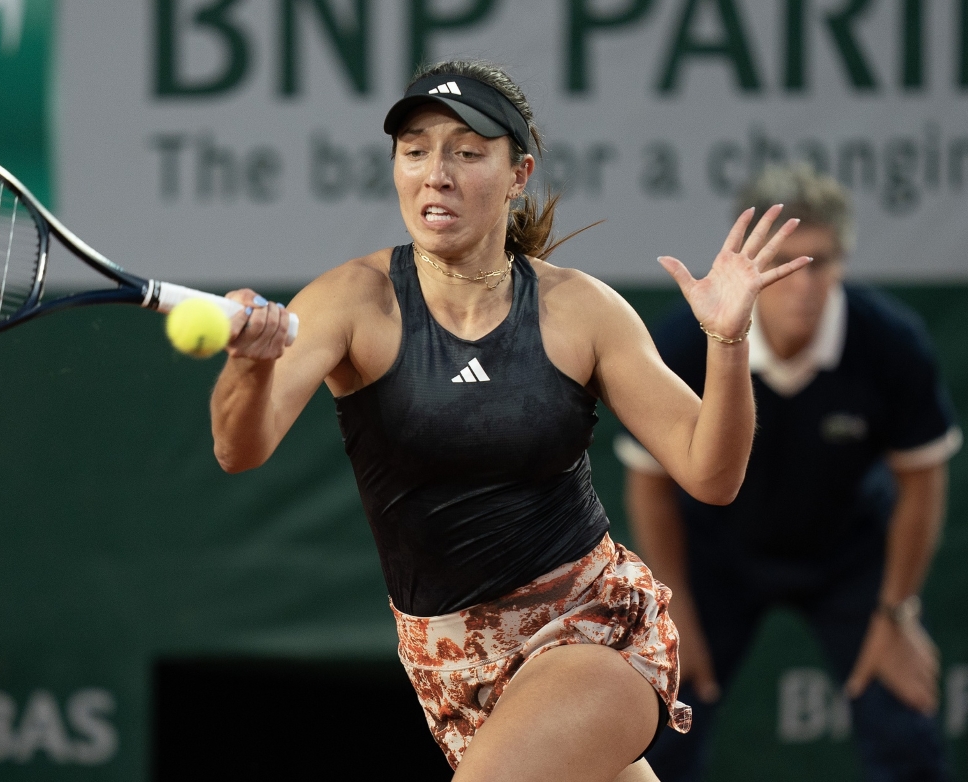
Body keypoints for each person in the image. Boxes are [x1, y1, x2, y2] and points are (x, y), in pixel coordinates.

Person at [209, 60, 811, 782]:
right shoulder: (353, 300)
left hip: (589, 635)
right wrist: (249, 364)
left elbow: (712, 475)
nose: (437, 172)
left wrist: (728, 339)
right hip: (451, 671)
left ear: (518, 172)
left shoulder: (580, 310)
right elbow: (239, 449)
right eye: (416, 150)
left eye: (466, 151)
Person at [617, 164, 961, 781]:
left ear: (845, 264)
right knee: (661, 716)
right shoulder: (683, 342)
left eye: (822, 261)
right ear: (743, 264)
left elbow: (923, 479)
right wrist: (673, 612)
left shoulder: (890, 343)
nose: (803, 283)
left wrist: (898, 612)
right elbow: (650, 483)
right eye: (784, 263)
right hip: (714, 554)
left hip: (849, 555)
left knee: (904, 722)